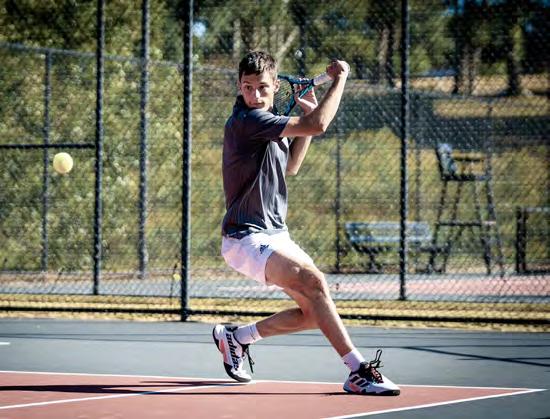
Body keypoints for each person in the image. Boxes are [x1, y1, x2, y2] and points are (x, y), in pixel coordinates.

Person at [213, 50, 400, 396]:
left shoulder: (270, 124)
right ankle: (358, 371)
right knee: (313, 282)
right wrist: (340, 80)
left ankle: (237, 337)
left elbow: (292, 165)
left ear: (275, 86)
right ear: (239, 87)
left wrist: (308, 115)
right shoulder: (247, 121)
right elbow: (319, 124)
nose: (254, 94)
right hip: (244, 238)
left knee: (316, 311)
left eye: (262, 87)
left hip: (275, 234)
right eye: (247, 87)